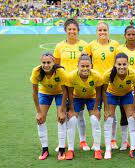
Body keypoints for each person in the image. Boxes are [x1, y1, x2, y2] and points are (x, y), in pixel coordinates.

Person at [54, 18, 90, 151]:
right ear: (65, 30)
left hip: (79, 84)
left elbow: (87, 65)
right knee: (63, 113)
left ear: (78, 30)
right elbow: (56, 66)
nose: (72, 31)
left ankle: (83, 141)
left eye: (74, 29)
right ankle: (62, 143)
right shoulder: (59, 46)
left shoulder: (84, 45)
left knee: (79, 114)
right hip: (64, 86)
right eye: (69, 29)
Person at [86, 22, 120, 150]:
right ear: (96, 31)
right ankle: (96, 141)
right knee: (96, 112)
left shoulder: (115, 45)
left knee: (111, 112)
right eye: (100, 30)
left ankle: (112, 139)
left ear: (108, 31)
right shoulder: (91, 46)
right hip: (96, 84)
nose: (102, 32)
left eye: (104, 30)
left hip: (111, 83)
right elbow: (86, 63)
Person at [62, 55, 103, 160]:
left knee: (95, 119)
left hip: (92, 97)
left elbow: (99, 94)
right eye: (82, 66)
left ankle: (97, 149)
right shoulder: (71, 76)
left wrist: (95, 109)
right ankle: (70, 150)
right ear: (78, 66)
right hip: (76, 98)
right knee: (72, 120)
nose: (85, 68)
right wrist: (71, 109)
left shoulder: (97, 76)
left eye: (87, 66)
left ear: (91, 66)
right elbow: (70, 94)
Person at [102, 53, 135, 159]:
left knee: (132, 119)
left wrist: (133, 109)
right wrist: (106, 109)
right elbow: (103, 91)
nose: (122, 67)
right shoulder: (108, 74)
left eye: (124, 64)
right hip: (112, 94)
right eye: (119, 64)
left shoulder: (134, 74)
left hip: (127, 94)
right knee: (108, 119)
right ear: (115, 64)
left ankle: (133, 149)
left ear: (128, 64)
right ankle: (108, 149)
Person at [30, 53, 67, 160]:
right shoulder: (36, 72)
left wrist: (62, 110)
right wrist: (38, 112)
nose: (46, 65)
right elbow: (34, 93)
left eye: (48, 62)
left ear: (54, 62)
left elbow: (65, 92)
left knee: (61, 118)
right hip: (45, 94)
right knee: (40, 119)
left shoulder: (60, 72)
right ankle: (44, 149)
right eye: (44, 63)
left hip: (60, 93)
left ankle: (61, 149)